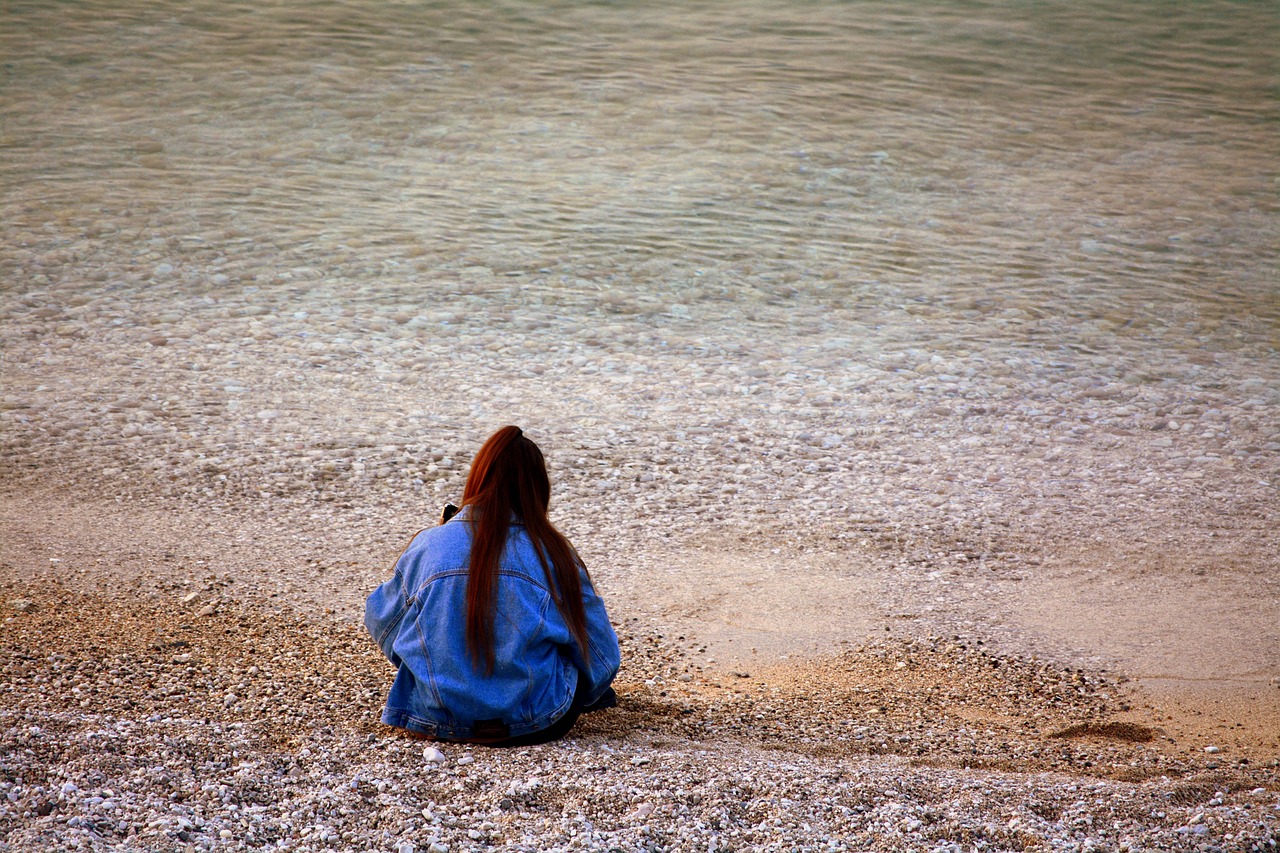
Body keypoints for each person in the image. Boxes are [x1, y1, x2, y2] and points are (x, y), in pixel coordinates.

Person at [365, 426, 621, 745]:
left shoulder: (429, 545)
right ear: (537, 489)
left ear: (478, 478)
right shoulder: (554, 553)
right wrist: (589, 694)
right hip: (539, 722)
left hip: (435, 718)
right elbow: (602, 656)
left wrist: (429, 665)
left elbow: (381, 621)